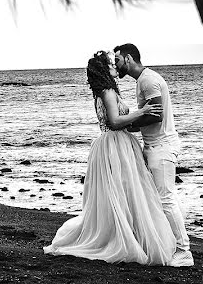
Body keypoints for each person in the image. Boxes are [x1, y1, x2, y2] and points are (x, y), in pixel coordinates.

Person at [44, 50, 176, 265]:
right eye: (111, 64)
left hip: (114, 144)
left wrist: (135, 115)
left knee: (123, 192)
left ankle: (127, 234)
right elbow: (114, 122)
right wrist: (142, 112)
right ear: (105, 69)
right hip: (115, 144)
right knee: (124, 190)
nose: (115, 66)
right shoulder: (107, 91)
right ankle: (124, 238)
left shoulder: (106, 91)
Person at [114, 43, 194, 267]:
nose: (116, 64)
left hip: (162, 147)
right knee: (164, 198)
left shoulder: (148, 80)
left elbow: (156, 115)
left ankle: (184, 250)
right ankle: (170, 243)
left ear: (129, 59)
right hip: (154, 146)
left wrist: (129, 124)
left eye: (118, 59)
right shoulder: (143, 80)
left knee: (165, 198)